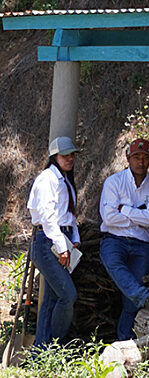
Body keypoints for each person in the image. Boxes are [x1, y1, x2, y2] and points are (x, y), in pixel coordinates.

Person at [99, 138, 149, 341]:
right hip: (114, 239)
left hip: (141, 244)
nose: (140, 161)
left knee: (130, 303)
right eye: (136, 157)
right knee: (113, 263)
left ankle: (124, 342)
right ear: (128, 158)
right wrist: (139, 217)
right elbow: (108, 217)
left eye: (145, 157)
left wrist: (125, 209)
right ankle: (144, 297)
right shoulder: (114, 182)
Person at [27, 137, 81, 348]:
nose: (69, 159)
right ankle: (57, 346)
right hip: (49, 241)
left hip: (62, 239)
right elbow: (49, 218)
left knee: (51, 300)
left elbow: (69, 215)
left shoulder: (65, 180)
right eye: (64, 155)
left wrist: (74, 240)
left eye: (71, 155)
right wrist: (61, 247)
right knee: (68, 295)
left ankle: (41, 350)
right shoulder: (47, 179)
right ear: (54, 157)